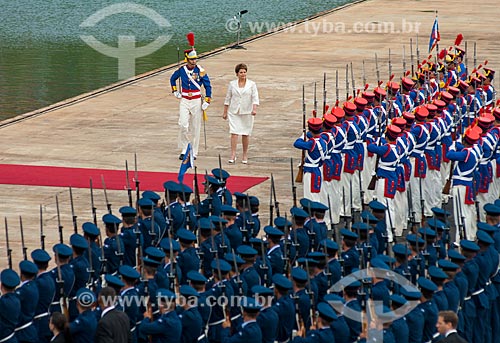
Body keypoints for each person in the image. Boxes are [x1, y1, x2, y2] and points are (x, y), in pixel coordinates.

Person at [170, 45, 212, 160]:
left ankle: (194, 151)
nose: (194, 61)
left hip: (196, 100)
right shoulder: (182, 70)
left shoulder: (201, 70)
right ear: (187, 59)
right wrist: (175, 91)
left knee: (195, 126)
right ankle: (184, 148)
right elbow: (172, 79)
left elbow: (208, 85)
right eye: (192, 59)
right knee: (183, 124)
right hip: (184, 100)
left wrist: (207, 100)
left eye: (195, 59)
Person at [222, 63, 260, 164]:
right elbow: (228, 98)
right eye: (241, 72)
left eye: (244, 72)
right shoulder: (232, 84)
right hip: (234, 111)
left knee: (245, 134)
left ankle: (244, 155)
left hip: (247, 112)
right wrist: (225, 112)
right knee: (234, 133)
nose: (243, 74)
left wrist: (254, 109)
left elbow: (255, 98)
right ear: (237, 74)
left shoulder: (252, 84)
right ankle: (233, 154)